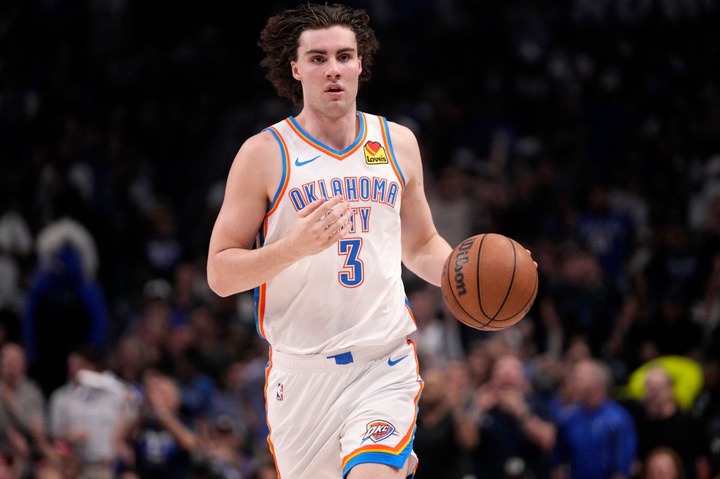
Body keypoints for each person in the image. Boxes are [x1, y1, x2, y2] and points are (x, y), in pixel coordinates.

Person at [206, 3, 461, 478]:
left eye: (344, 56)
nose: (333, 70)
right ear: (295, 68)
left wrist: (460, 274)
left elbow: (421, 244)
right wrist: (292, 248)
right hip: (301, 374)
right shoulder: (264, 154)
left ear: (361, 63)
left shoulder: (397, 143)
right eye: (318, 58)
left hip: (383, 362)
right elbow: (220, 274)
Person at [551, 358, 637, 479]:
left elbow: (621, 469)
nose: (573, 382)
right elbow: (558, 463)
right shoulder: (568, 417)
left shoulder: (618, 419)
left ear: (597, 381)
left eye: (578, 378)